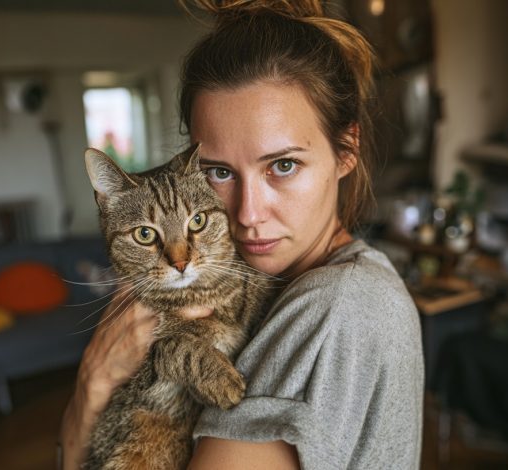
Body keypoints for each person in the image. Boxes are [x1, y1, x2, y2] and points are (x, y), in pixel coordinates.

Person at [59, 1, 424, 468]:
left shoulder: (336, 306)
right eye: (219, 172)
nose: (247, 214)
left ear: (346, 150)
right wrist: (90, 390)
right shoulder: (275, 280)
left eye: (283, 165)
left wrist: (85, 398)